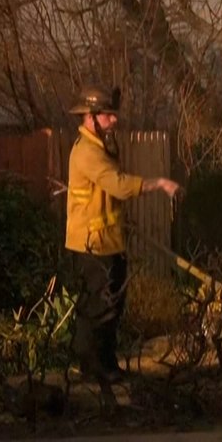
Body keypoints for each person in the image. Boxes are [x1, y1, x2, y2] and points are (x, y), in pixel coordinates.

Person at [65, 85, 180, 385]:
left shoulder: (97, 146)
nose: (115, 120)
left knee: (109, 306)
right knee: (100, 308)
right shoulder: (88, 153)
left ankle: (101, 365)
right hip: (94, 245)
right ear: (91, 117)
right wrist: (157, 183)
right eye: (109, 115)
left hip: (105, 241)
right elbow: (118, 185)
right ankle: (96, 368)